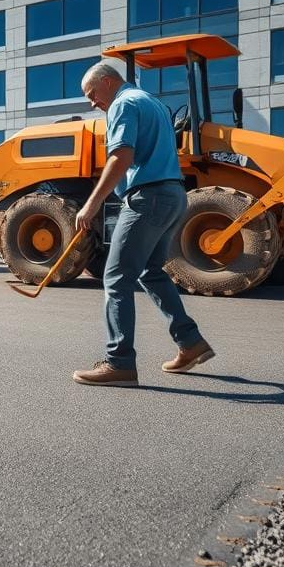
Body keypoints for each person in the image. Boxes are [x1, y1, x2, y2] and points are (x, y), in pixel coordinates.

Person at [72, 62, 213, 387]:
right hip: (172, 194)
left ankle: (119, 363)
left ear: (107, 82)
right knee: (150, 271)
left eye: (92, 94)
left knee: (116, 277)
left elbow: (120, 156)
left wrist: (91, 205)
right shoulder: (152, 102)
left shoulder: (122, 103)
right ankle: (190, 343)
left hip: (148, 198)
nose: (92, 103)